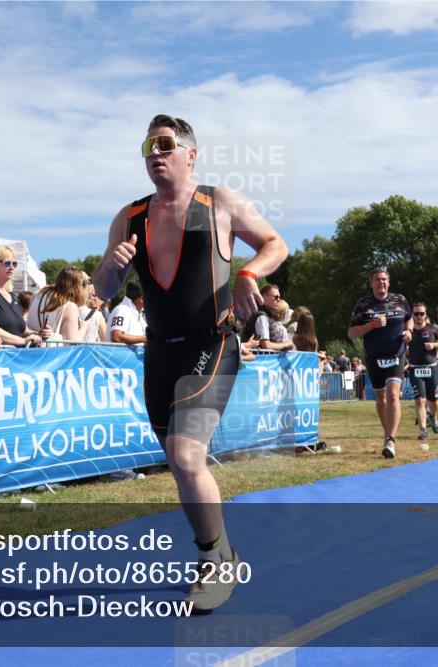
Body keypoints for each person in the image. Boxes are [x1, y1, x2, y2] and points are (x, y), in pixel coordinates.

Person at [92, 114, 287, 611]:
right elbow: (102, 289)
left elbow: (275, 244)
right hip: (160, 352)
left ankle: (213, 562)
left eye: (165, 144)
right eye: (148, 147)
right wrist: (111, 266)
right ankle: (222, 551)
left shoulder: (219, 202)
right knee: (181, 467)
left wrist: (249, 274)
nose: (155, 154)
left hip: (212, 343)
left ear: (191, 154)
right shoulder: (130, 216)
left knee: (185, 456)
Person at [347, 267, 413, 459]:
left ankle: (391, 440)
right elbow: (351, 333)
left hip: (396, 354)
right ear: (371, 283)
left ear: (388, 282)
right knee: (381, 398)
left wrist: (409, 332)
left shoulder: (400, 300)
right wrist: (371, 325)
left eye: (384, 279)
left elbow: (409, 319)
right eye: (377, 279)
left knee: (393, 395)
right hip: (374, 357)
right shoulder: (363, 304)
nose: (381, 282)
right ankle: (387, 434)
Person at [406, 302, 438, 445]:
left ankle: (433, 417)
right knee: (420, 400)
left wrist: (434, 345)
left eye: (421, 314)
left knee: (434, 401)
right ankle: (423, 430)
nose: (419, 316)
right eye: (416, 314)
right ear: (413, 315)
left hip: (432, 368)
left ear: (425, 315)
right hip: (415, 369)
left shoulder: (433, 328)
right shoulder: (408, 331)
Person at [33, 267, 94, 342]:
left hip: (31, 347)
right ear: (78, 287)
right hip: (50, 349)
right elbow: (73, 342)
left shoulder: (39, 294)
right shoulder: (70, 307)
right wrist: (85, 325)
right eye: (82, 285)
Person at [251, 284, 293, 352]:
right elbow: (266, 345)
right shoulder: (262, 317)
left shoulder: (267, 317)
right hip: (258, 358)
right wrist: (286, 344)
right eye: (276, 297)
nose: (279, 300)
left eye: (279, 297)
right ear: (264, 297)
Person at [106, 279, 147, 345]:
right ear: (141, 299)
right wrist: (145, 339)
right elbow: (116, 337)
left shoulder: (136, 313)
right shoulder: (122, 310)